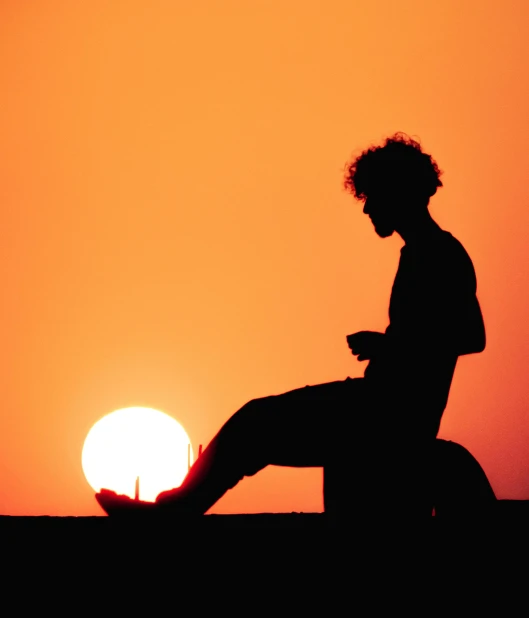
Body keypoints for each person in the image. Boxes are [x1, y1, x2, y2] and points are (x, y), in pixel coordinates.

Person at [96, 132, 486, 517]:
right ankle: (177, 509)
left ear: (397, 192)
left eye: (372, 196)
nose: (367, 210)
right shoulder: (421, 253)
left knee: (254, 423)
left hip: (388, 415)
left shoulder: (439, 254)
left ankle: (175, 513)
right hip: (377, 404)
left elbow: (472, 336)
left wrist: (387, 347)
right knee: (259, 428)